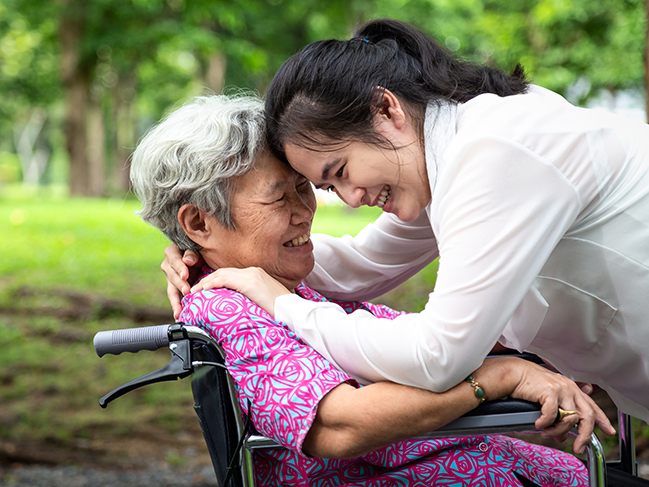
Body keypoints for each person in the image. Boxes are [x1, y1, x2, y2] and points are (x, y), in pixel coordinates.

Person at [164, 18, 649, 424]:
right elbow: (359, 266)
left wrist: (281, 304)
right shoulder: (441, 157)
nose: (352, 199)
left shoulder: (494, 152)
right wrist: (210, 254)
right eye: (331, 188)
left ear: (385, 110)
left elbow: (437, 356)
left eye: (341, 171)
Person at [130, 94, 613, 486]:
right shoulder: (229, 308)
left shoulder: (285, 288)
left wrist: (531, 356)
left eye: (305, 188)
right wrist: (496, 378)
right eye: (280, 196)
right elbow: (338, 424)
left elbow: (411, 343)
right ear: (199, 222)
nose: (306, 210)